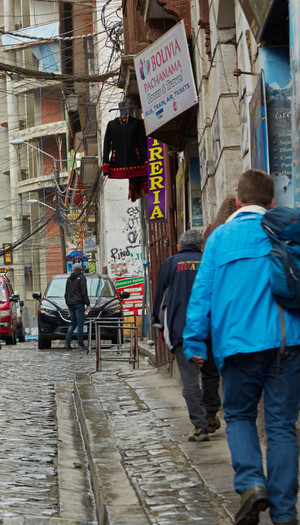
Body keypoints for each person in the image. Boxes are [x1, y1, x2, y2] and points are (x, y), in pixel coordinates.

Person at [184, 170, 300, 525]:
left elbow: (202, 293)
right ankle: (285, 513)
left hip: (238, 346)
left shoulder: (219, 239)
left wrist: (193, 340)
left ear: (237, 201)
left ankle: (251, 484)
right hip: (287, 343)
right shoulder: (285, 231)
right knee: (281, 426)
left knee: (239, 416)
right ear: (271, 203)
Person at [152, 229, 220, 442]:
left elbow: (160, 298)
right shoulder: (210, 261)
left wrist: (160, 326)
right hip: (211, 328)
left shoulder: (171, 263)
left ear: (179, 247)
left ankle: (200, 426)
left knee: (190, 380)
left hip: (182, 330)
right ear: (202, 246)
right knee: (210, 374)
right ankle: (210, 415)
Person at [64, 262, 89, 350]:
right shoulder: (82, 278)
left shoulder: (69, 279)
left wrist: (68, 304)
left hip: (71, 304)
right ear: (81, 269)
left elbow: (66, 293)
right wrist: (88, 303)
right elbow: (84, 292)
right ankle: (80, 343)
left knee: (73, 324)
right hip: (79, 304)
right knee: (80, 324)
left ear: (73, 270)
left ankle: (67, 343)